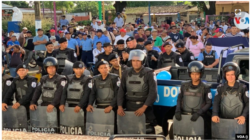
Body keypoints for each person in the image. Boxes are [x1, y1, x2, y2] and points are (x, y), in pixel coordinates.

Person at [117, 50, 157, 134]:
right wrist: (120, 106)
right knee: (130, 132)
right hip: (129, 107)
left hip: (145, 108)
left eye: (138, 60)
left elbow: (153, 92)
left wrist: (144, 107)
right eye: (133, 60)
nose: (135, 63)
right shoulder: (126, 72)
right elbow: (121, 90)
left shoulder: (149, 73)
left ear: (142, 61)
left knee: (148, 132)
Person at [175, 61, 212, 139]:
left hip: (200, 117)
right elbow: (179, 99)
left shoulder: (205, 87)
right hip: (185, 115)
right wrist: (177, 111)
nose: (194, 76)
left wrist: (199, 113)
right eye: (192, 74)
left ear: (201, 74)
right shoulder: (184, 86)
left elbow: (209, 103)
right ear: (189, 74)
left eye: (197, 74)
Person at [212, 62, 249, 131]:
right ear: (225, 76)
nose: (230, 77)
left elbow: (248, 103)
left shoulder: (243, 88)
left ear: (236, 75)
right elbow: (216, 102)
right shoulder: (220, 88)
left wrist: (243, 116)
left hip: (239, 122)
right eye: (228, 75)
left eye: (232, 74)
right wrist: (215, 114)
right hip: (223, 122)